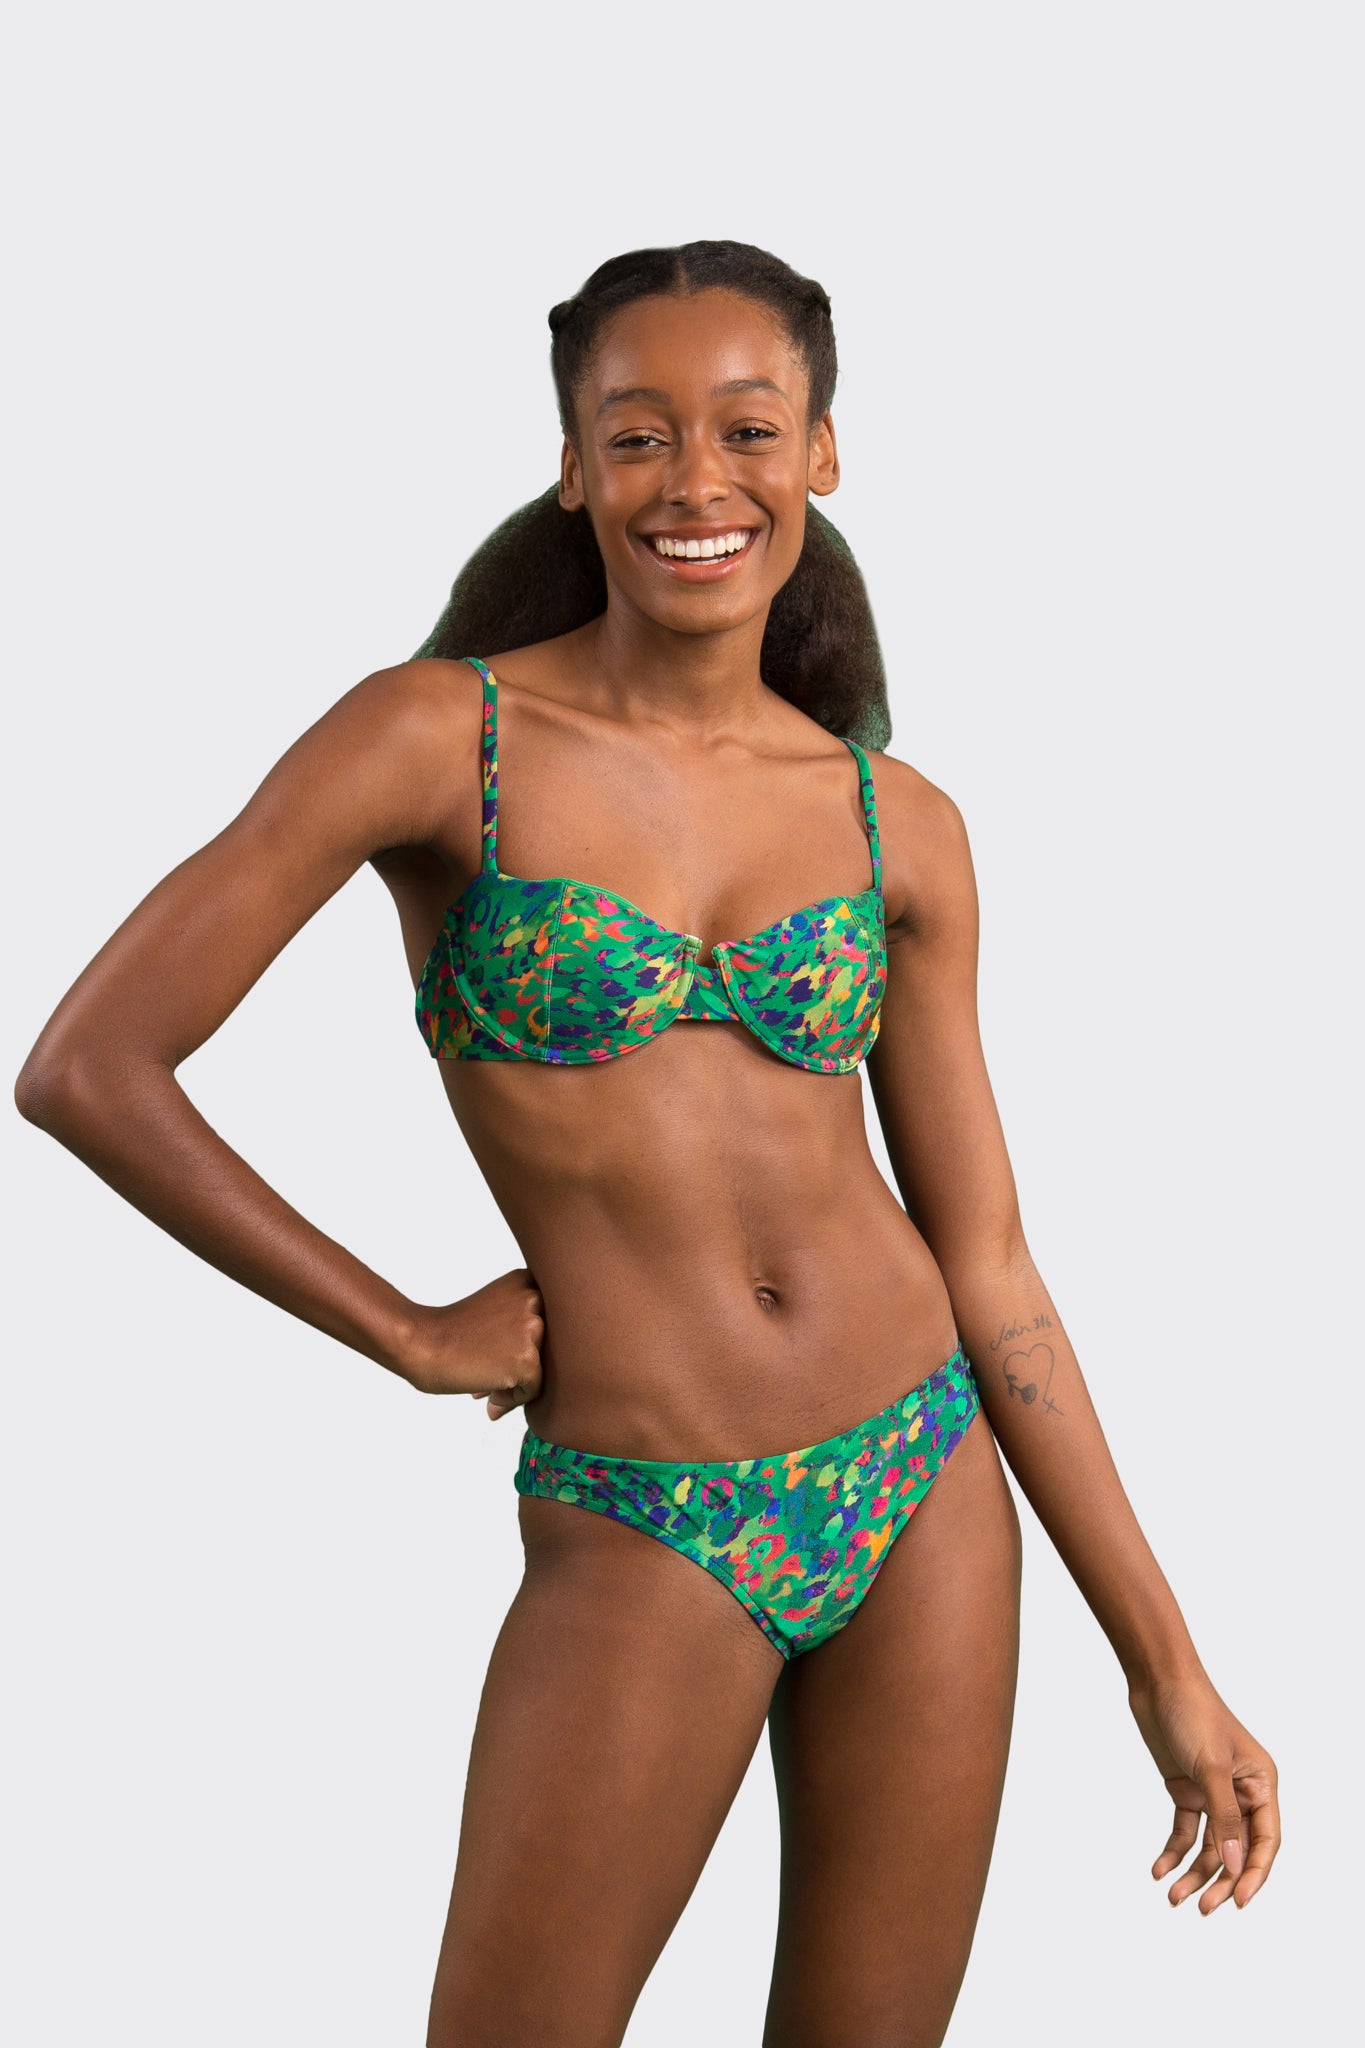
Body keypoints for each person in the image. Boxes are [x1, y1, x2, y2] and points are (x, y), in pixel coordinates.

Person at [14, 239, 1280, 2048]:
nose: (697, 481)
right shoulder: (436, 737)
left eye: (747, 429)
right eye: (637, 434)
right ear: (572, 466)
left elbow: (990, 1263)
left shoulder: (895, 823)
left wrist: (1164, 1663)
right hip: (648, 1509)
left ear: (819, 452)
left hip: (921, 1478)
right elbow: (89, 1067)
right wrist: (404, 1330)